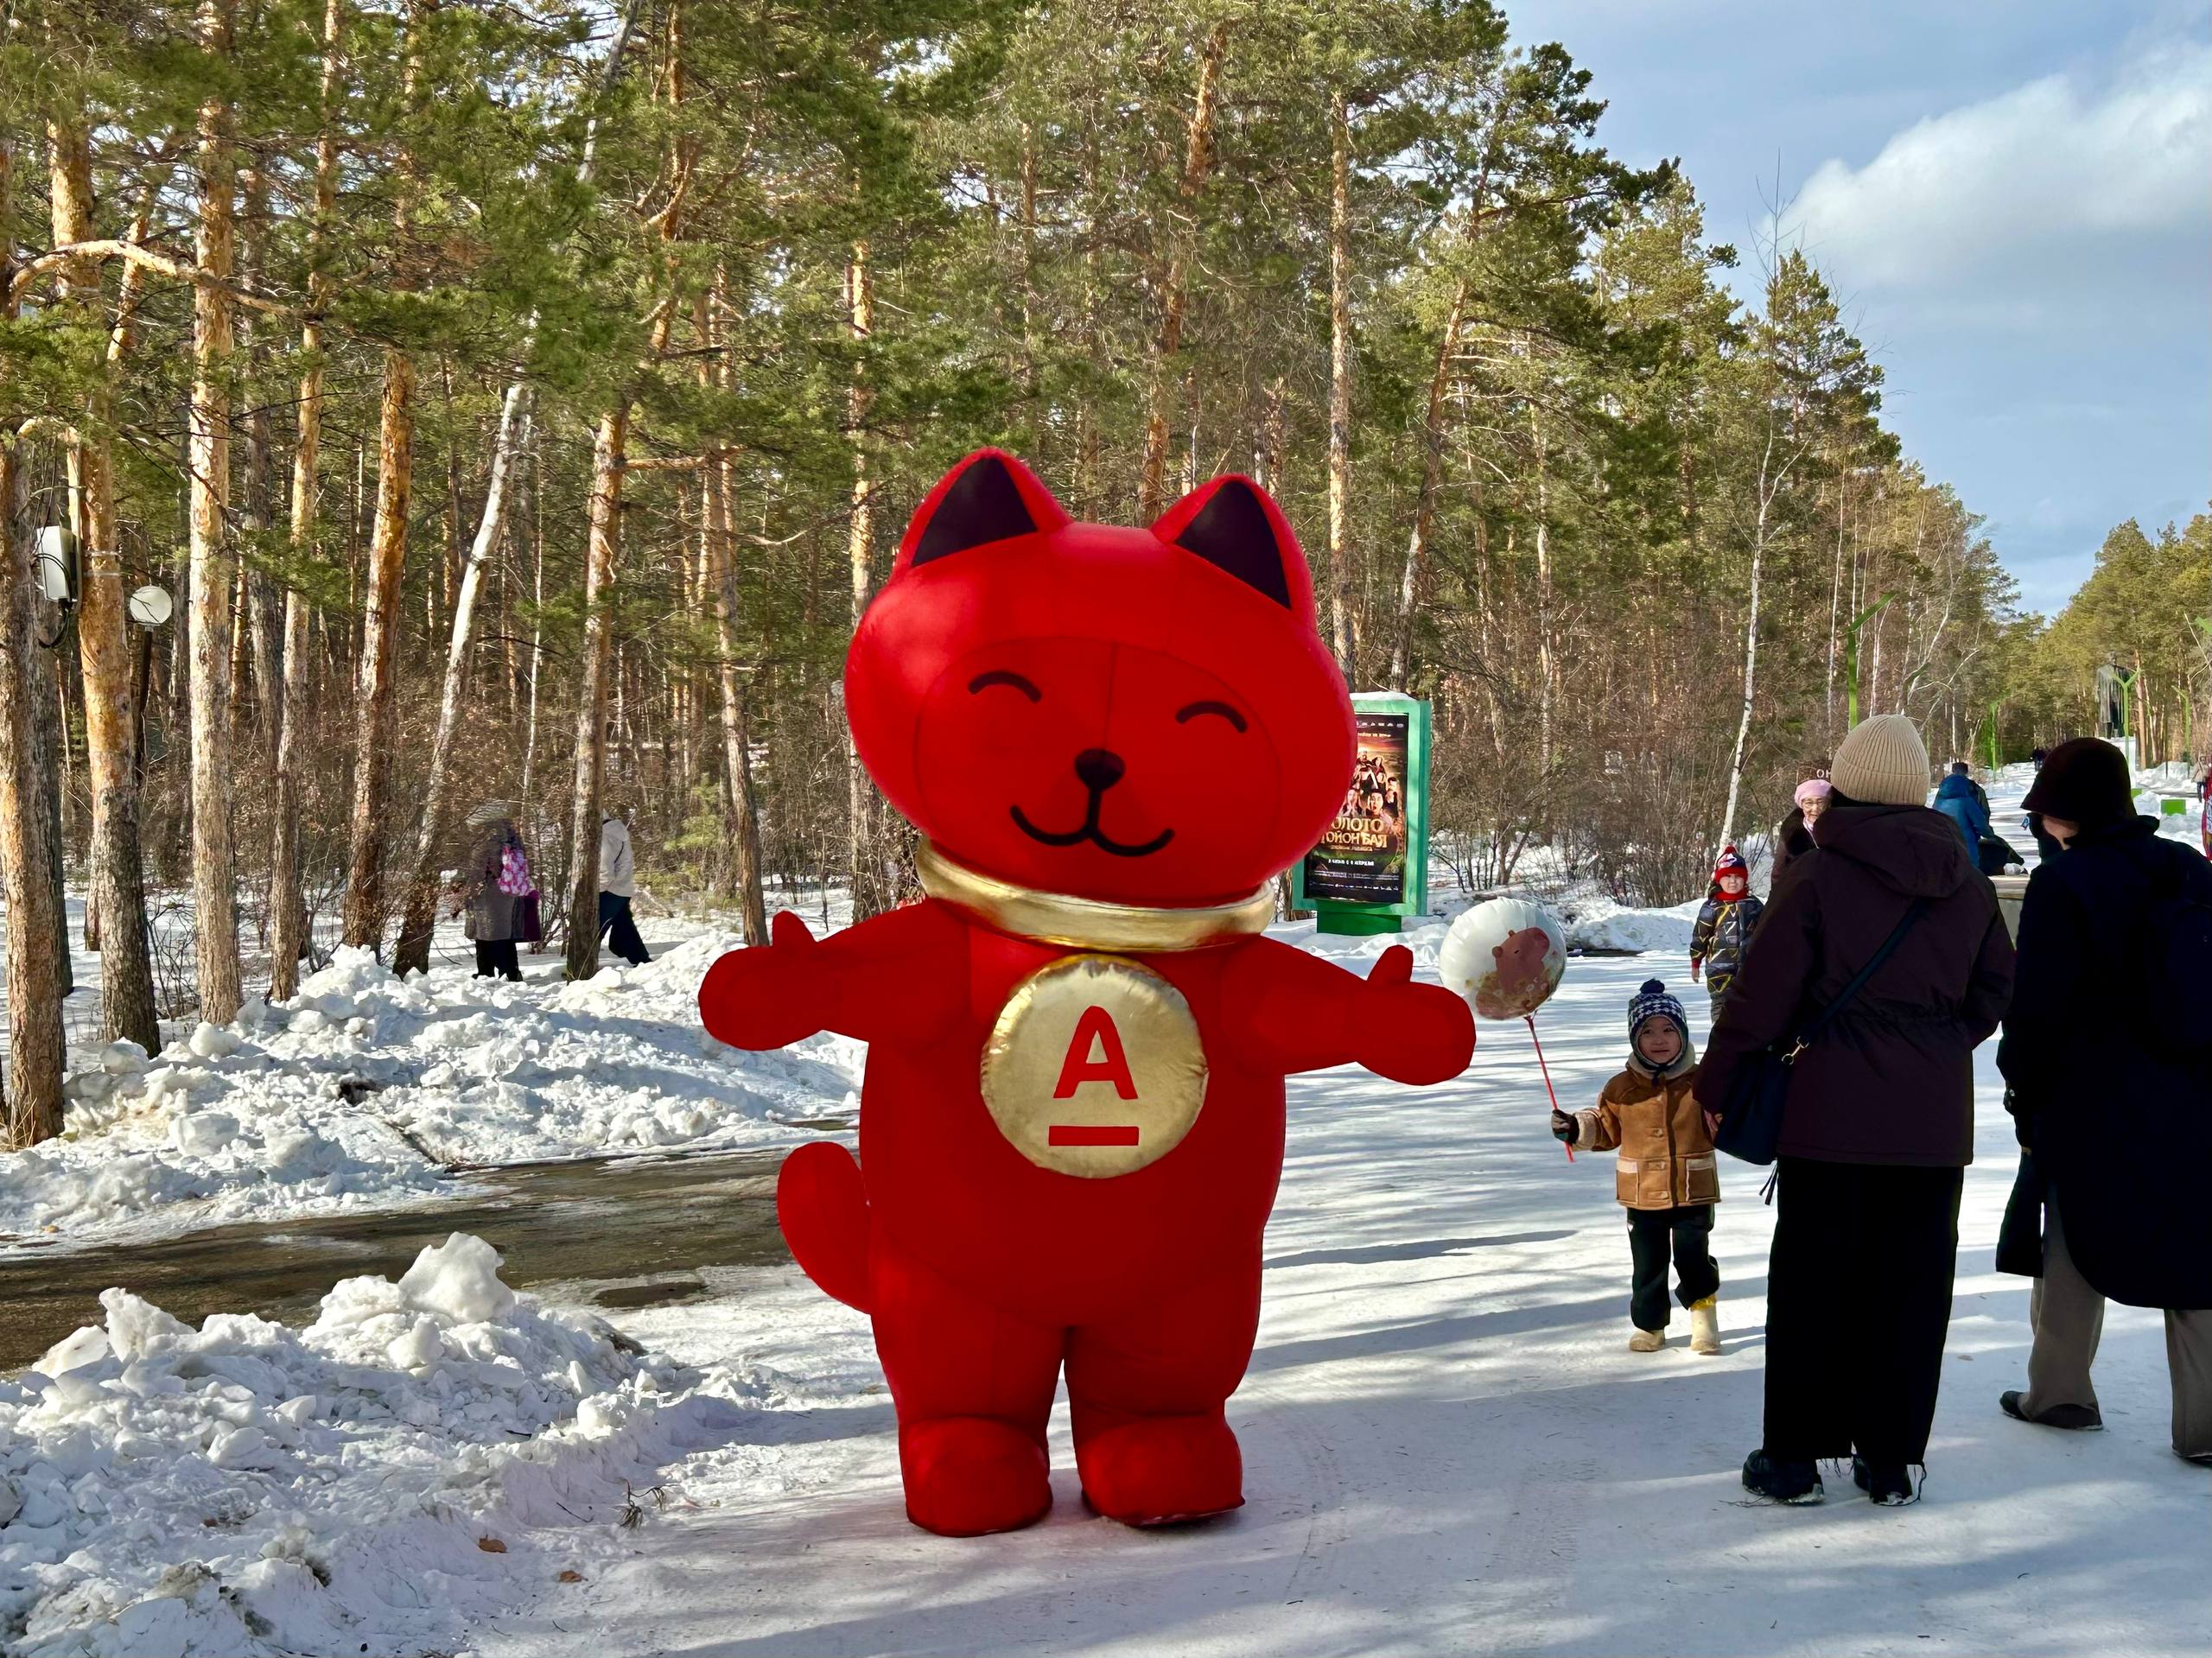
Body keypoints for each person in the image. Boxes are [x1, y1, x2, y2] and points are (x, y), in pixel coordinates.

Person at [1700, 714, 2015, 1507]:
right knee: (1911, 1288)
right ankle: (1889, 1460)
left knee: (1813, 1284)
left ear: (1842, 781)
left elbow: (1759, 996)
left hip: (1827, 1117)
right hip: (1932, 1127)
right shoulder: (1967, 878)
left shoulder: (1818, 874)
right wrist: (1936, 1046)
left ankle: (1794, 1458)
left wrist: (1716, 1084)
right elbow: (1996, 992)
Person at [1994, 737, 2212, 1464]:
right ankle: (2207, 1424)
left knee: (2072, 1241)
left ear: (2065, 813)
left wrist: (2021, 1089)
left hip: (2088, 1098)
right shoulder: (2187, 869)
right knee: (2197, 1247)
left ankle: (2058, 1393)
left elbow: (2038, 1006)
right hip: (2191, 1092)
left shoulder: (2066, 883)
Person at [1552, 980, 1722, 1355]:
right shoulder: (1621, 1088)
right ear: (1634, 1040)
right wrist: (1576, 1127)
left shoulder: (1704, 1080)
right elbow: (1605, 1127)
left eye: (1668, 1030)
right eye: (1647, 1032)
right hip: (1641, 1192)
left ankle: (1703, 1319)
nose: (1659, 1039)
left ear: (1682, 1034)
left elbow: (1725, 1120)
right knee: (1648, 1263)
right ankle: (1650, 1325)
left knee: (1694, 1255)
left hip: (1693, 1186)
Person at [460, 800, 528, 981]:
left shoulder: (485, 839)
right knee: (502, 935)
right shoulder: (513, 837)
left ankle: (502, 973)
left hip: (489, 893)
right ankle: (499, 971)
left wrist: (466, 894)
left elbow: (476, 871)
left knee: (488, 935)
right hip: (510, 891)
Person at [1689, 847, 1760, 1014]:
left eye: (1738, 877)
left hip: (1750, 971)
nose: (1733, 881)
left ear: (1744, 879)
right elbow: (1700, 936)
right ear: (1719, 880)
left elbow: (1766, 934)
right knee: (1722, 1010)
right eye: (1727, 876)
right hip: (1719, 971)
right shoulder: (1712, 907)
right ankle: (1720, 1036)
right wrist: (1695, 961)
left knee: (1749, 1011)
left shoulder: (1754, 906)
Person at [598, 808, 652, 968]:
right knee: (624, 927)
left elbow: (604, 871)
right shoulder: (615, 831)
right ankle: (642, 961)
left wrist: (594, 893)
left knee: (593, 931)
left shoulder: (605, 836)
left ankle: (580, 968)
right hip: (622, 889)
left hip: (609, 891)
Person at [1770, 778, 1833, 892]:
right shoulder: (1791, 834)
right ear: (1801, 805)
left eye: (1820, 802)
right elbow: (1778, 876)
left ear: (1828, 804)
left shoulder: (1840, 831)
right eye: (1809, 803)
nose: (1815, 808)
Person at [1933, 760, 1992, 854]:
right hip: (1968, 841)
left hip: (1944, 841)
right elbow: (1985, 811)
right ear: (1966, 772)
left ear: (1952, 770)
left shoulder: (1942, 792)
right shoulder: (1973, 789)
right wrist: (1987, 832)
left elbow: (1934, 815)